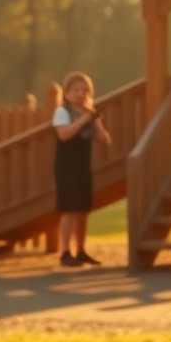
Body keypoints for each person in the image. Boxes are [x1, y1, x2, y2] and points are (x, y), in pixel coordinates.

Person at [52, 71, 111, 267]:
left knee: (83, 208)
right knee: (69, 209)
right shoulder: (62, 112)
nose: (80, 94)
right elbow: (64, 135)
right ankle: (65, 252)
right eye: (76, 90)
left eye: (85, 90)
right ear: (67, 94)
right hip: (66, 166)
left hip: (83, 166)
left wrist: (96, 121)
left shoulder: (88, 115)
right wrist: (84, 119)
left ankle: (81, 251)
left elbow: (105, 140)